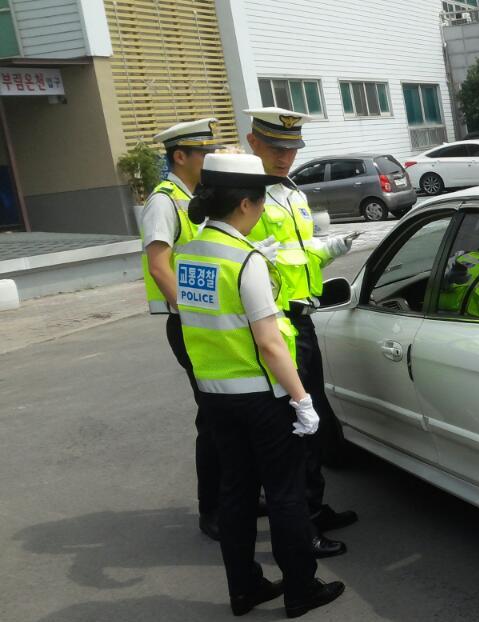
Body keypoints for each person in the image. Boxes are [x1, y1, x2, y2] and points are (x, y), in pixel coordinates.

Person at [175, 153, 345, 618]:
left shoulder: (187, 253)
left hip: (214, 395)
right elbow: (271, 344)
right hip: (261, 399)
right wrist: (302, 399)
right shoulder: (245, 260)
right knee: (286, 492)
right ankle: (301, 588)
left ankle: (245, 587)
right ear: (247, 205)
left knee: (237, 493)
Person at [243, 107, 358, 558]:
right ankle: (299, 530)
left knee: (313, 423)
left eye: (291, 149)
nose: (285, 157)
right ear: (253, 143)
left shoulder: (289, 191)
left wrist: (329, 249)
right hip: (273, 321)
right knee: (291, 429)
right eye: (275, 148)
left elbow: (298, 252)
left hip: (302, 316)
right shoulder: (245, 194)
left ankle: (314, 507)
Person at [141, 118, 221, 540]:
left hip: (213, 322)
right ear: (180, 156)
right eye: (204, 152)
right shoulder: (164, 202)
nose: (210, 158)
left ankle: (236, 493)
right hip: (191, 324)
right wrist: (194, 315)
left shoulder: (198, 197)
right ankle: (212, 509)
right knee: (212, 417)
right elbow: (159, 266)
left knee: (225, 413)